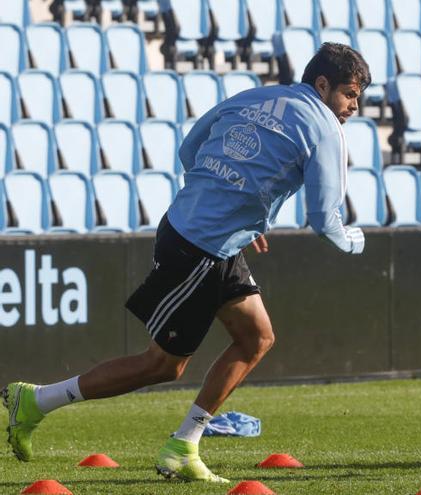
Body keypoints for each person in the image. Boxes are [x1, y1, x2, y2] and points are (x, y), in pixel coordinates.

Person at [3, 42, 370, 483]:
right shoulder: (325, 128)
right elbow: (323, 218)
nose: (354, 105)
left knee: (256, 338)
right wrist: (354, 241)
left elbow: (190, 148)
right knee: (162, 364)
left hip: (203, 234)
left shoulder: (254, 96)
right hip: (201, 247)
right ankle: (37, 400)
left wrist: (229, 207)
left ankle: (184, 444)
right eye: (350, 93)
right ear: (323, 84)